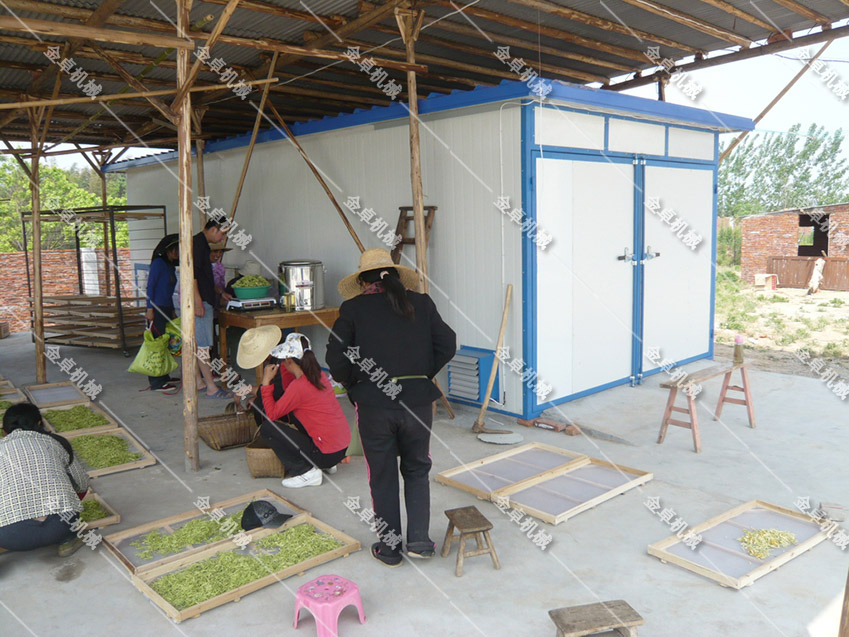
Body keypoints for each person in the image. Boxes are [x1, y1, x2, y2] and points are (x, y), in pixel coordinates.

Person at [326, 248, 456, 567]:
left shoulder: (353, 308)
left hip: (374, 405)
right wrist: (421, 375)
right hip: (417, 403)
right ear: (397, 277)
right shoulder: (422, 303)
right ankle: (420, 541)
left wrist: (355, 383)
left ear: (363, 282)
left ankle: (390, 548)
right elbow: (448, 343)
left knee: (382, 475)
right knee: (417, 468)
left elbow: (335, 358)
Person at [258, 333, 350, 488]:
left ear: (289, 360)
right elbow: (289, 390)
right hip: (341, 448)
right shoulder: (318, 375)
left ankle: (306, 471)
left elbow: (271, 414)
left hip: (326, 454)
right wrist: (286, 367)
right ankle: (328, 464)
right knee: (295, 413)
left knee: (268, 428)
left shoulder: (300, 387)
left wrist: (266, 382)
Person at [0, 403, 90, 556]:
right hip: (61, 526)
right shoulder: (56, 442)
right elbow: (83, 483)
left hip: (11, 536)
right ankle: (67, 539)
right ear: (39, 423)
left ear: (4, 431)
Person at [194, 219, 229, 398]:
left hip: (204, 298)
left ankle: (199, 381)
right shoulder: (198, 244)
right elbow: (192, 275)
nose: (223, 238)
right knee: (203, 346)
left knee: (198, 344)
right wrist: (197, 301)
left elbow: (204, 276)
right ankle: (211, 387)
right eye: (222, 233)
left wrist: (220, 292)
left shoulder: (202, 244)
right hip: (200, 301)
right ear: (214, 229)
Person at [145, 234, 179, 391]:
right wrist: (149, 308)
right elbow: (150, 286)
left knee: (166, 343)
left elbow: (168, 292)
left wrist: (172, 311)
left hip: (166, 308)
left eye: (179, 249)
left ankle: (164, 375)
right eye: (174, 249)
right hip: (156, 308)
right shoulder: (158, 263)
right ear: (166, 250)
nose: (177, 252)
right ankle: (156, 382)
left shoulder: (170, 266)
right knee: (157, 344)